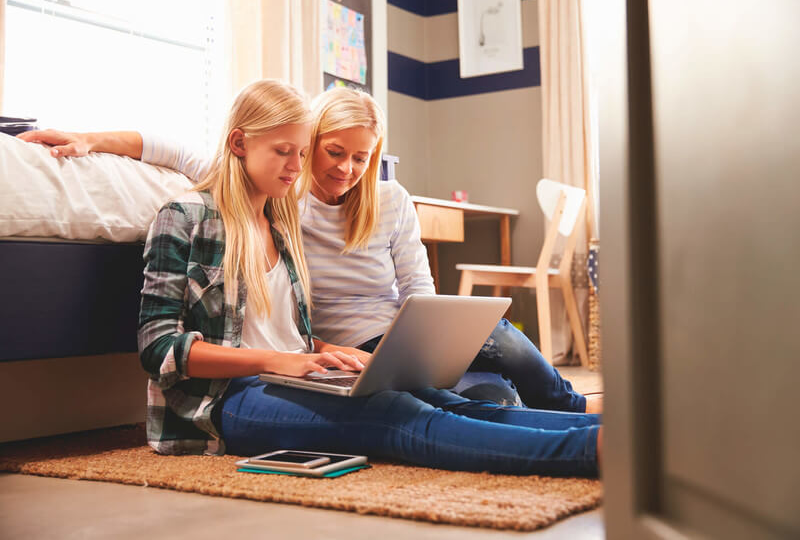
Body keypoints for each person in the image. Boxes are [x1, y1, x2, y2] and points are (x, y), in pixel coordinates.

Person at [21, 78, 602, 474]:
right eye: (286, 153)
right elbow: (158, 350)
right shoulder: (189, 216)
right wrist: (91, 139)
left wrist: (323, 351)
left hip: (299, 372)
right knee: (401, 418)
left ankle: (612, 431)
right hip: (224, 403)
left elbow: (283, 332)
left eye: (302, 153)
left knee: (443, 398)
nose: (298, 169)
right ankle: (592, 450)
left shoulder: (280, 218)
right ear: (239, 145)